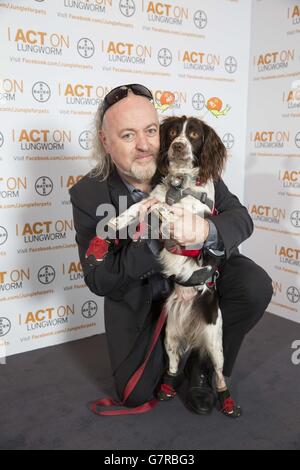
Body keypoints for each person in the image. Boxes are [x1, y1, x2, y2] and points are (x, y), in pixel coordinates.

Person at [69, 84, 273, 415]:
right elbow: (100, 280)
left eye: (151, 131)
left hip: (203, 283)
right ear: (105, 142)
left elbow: (241, 219)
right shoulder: (89, 194)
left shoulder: (182, 163)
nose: (145, 145)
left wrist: (206, 230)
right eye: (128, 135)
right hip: (145, 302)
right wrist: (155, 239)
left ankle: (202, 367)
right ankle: (177, 356)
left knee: (253, 285)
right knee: (136, 394)